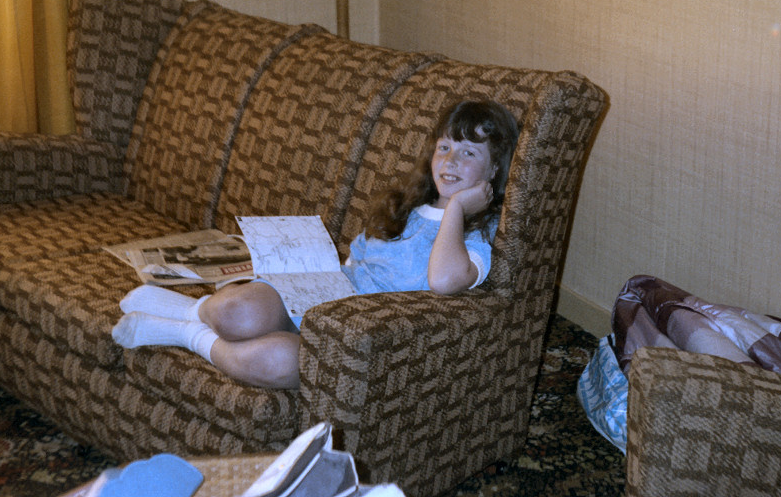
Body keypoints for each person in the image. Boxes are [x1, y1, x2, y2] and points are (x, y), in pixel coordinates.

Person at [111, 99, 520, 389]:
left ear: (494, 170)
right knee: (238, 312)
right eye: (444, 147)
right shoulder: (405, 207)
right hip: (328, 291)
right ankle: (192, 309)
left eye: (468, 153)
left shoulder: (477, 235)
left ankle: (184, 333)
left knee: (280, 362)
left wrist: (456, 210)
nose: (450, 161)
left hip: (353, 332)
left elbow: (444, 281)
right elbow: (354, 260)